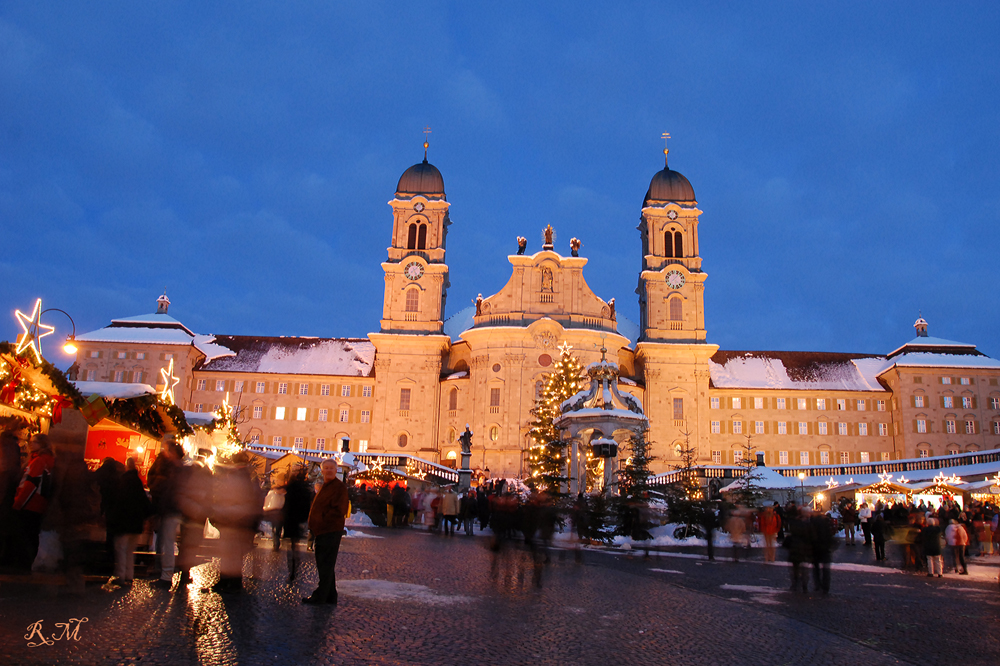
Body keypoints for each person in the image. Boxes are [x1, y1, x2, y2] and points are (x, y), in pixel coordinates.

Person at [303, 458, 349, 605]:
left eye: (331, 468)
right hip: (322, 530)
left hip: (329, 530)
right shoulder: (326, 486)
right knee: (326, 564)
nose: (329, 470)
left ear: (336, 471)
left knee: (325, 564)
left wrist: (322, 520)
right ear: (322, 471)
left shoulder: (339, 487)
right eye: (326, 468)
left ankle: (320, 596)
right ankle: (330, 595)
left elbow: (339, 509)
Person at [105, 457, 152, 589]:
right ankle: (129, 575)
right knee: (130, 551)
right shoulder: (137, 482)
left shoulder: (123, 482)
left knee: (120, 549)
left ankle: (121, 575)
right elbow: (144, 502)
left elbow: (118, 504)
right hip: (135, 523)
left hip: (124, 523)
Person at [12, 434, 56, 570]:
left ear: (41, 444)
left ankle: (22, 565)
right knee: (31, 535)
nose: (31, 444)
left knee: (25, 535)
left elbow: (31, 484)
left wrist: (18, 504)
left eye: (34, 442)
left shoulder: (38, 461)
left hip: (30, 504)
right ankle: (26, 564)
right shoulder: (46, 460)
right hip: (38, 504)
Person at [281, 467, 314, 582]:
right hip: (298, 520)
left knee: (291, 547)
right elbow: (306, 507)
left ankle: (292, 570)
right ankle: (294, 570)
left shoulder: (290, 489)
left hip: (290, 519)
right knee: (294, 546)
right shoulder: (305, 490)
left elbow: (286, 506)